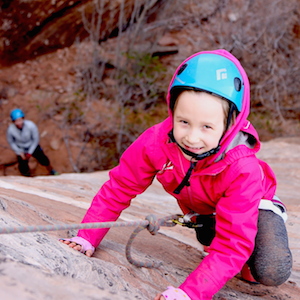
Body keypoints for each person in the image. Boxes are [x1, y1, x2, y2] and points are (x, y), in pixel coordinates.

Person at [60, 49, 292, 300]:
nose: (192, 138)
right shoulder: (157, 141)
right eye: (183, 122)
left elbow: (231, 245)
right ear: (172, 111)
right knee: (210, 242)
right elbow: (119, 188)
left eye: (207, 127)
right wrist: (86, 237)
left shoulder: (242, 169)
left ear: (231, 123)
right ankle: (214, 232)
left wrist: (189, 293)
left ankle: (253, 249)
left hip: (255, 205)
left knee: (270, 270)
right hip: (205, 209)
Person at [6, 108, 58, 177]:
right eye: (16, 121)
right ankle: (27, 177)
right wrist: (19, 152)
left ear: (23, 119)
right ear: (13, 121)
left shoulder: (31, 125)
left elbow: (35, 139)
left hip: (32, 146)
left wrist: (30, 152)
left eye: (20, 120)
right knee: (23, 166)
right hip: (21, 149)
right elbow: (11, 142)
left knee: (43, 159)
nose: (19, 123)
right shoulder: (11, 130)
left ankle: (51, 170)